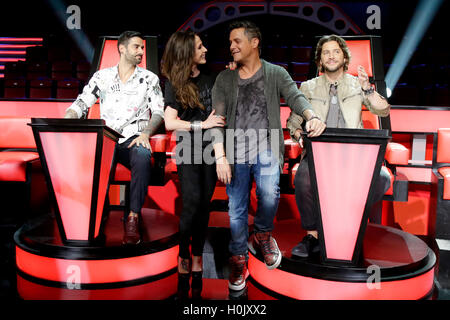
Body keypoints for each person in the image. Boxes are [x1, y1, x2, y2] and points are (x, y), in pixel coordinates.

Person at [211, 20, 326, 291]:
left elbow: (296, 98)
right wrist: (220, 156)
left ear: (254, 42)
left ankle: (262, 234)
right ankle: (239, 255)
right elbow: (217, 119)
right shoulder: (224, 78)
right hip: (235, 150)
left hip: (267, 147)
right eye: (229, 42)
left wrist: (311, 115)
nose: (232, 46)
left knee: (269, 193)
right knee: (236, 210)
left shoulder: (276, 73)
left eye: (237, 41)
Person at [286, 34, 391, 258]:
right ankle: (313, 235)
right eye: (326, 52)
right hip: (318, 153)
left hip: (353, 154)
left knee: (382, 178)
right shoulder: (308, 87)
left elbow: (383, 110)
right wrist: (300, 137)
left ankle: (343, 222)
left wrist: (368, 89)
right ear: (320, 60)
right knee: (303, 177)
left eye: (336, 51)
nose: (331, 56)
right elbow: (293, 122)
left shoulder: (357, 84)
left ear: (344, 58)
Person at [64, 31, 165, 245]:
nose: (140, 51)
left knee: (142, 155)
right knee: (94, 160)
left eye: (142, 48)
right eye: (136, 47)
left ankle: (132, 217)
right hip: (107, 138)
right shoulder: (102, 76)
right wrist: (70, 115)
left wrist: (146, 133)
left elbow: (158, 112)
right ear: (122, 49)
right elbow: (83, 102)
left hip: (134, 137)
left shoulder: (149, 78)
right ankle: (97, 215)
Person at [161, 30, 225, 299]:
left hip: (210, 149)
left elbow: (218, 121)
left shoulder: (212, 80)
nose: (205, 50)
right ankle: (183, 259)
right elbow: (169, 122)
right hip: (187, 148)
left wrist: (220, 152)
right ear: (188, 51)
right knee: (191, 204)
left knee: (204, 207)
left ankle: (198, 258)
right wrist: (202, 124)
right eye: (200, 46)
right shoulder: (174, 84)